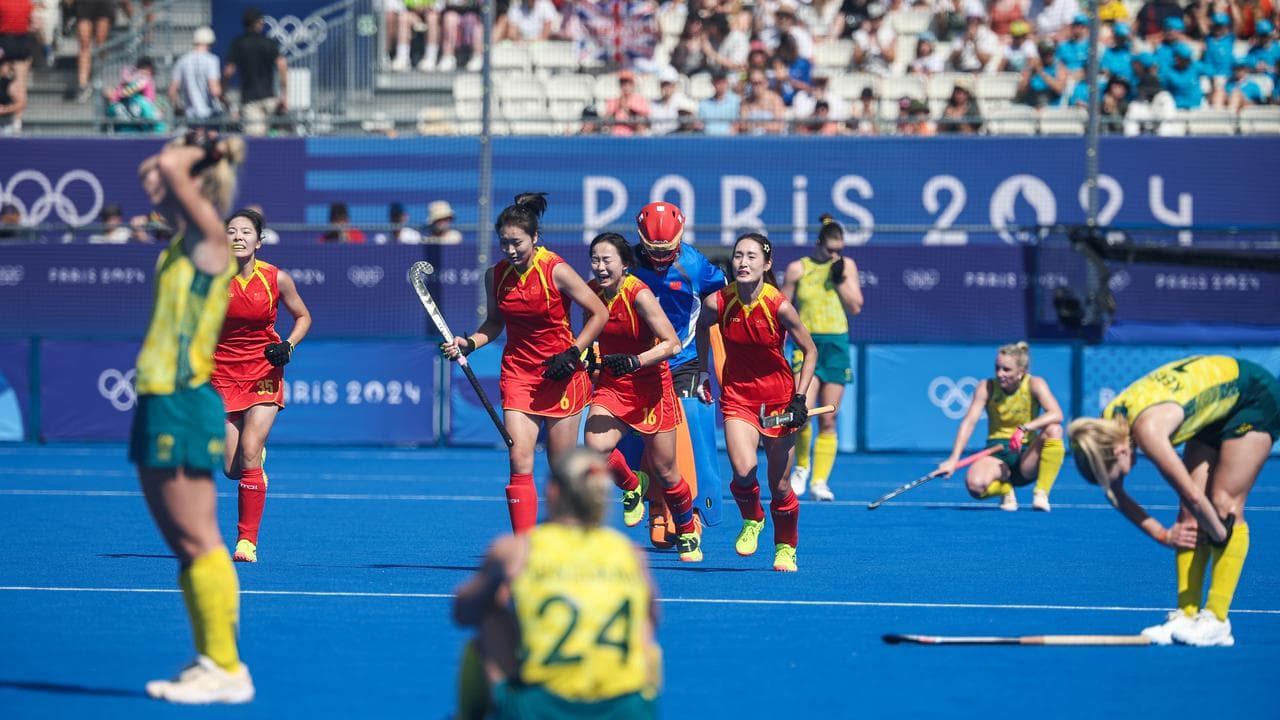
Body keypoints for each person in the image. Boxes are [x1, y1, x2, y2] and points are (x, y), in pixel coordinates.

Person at [130, 130, 253, 703]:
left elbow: (169, 172)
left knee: (201, 538)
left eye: (168, 171)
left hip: (183, 398)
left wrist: (197, 152)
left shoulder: (211, 239)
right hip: (159, 398)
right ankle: (213, 660)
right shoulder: (183, 242)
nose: (152, 177)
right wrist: (183, 155)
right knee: (187, 543)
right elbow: (152, 175)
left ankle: (227, 668)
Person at [1069, 355, 1279, 646]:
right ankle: (1187, 614)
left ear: (1119, 453)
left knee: (1222, 505)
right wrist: (1163, 534)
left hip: (1252, 396)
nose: (1114, 481)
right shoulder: (1105, 429)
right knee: (1188, 517)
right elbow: (1117, 495)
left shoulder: (1149, 431)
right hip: (1214, 409)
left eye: (1112, 475)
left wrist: (1220, 533)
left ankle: (1218, 621)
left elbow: (1193, 495)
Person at [441, 193, 608, 534]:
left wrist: (574, 352)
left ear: (533, 238)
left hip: (561, 373)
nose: (510, 250)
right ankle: (525, 550)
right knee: (519, 459)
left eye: (516, 242)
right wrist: (469, 343)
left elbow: (599, 312)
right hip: (519, 375)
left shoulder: (556, 270)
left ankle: (566, 540)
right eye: (504, 243)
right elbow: (493, 324)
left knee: (562, 469)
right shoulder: (496, 276)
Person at [453, 448, 660, 720]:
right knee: (645, 633)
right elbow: (654, 619)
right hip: (626, 708)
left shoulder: (516, 551)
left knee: (492, 614)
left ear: (552, 492)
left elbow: (463, 611)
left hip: (542, 707)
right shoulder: (632, 555)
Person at [697, 232, 816, 572]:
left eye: (751, 256)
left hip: (778, 400)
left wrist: (799, 398)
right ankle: (752, 518)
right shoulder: (718, 303)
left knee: (780, 485)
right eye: (738, 256)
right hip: (738, 397)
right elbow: (702, 329)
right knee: (743, 470)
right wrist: (705, 372)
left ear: (766, 264)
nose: (743, 262)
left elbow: (810, 351)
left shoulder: (778, 306)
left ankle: (785, 548)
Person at [582, 232, 702, 561]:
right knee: (595, 449)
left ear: (624, 265)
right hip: (613, 385)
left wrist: (636, 360)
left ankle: (687, 527)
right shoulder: (590, 293)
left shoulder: (640, 295)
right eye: (595, 260)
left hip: (651, 387)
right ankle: (633, 484)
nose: (600, 267)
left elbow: (671, 344)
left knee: (667, 472)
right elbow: (590, 335)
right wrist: (587, 358)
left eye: (608, 260)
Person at [211, 207, 311, 564]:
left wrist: (288, 345)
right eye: (232, 232)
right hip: (221, 374)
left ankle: (246, 541)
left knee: (251, 448)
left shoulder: (276, 278)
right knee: (231, 468)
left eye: (246, 232)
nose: (238, 237)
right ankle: (254, 462)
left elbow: (302, 316)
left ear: (259, 240)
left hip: (264, 371)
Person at [628, 201, 727, 533]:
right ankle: (656, 503)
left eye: (666, 251)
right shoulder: (625, 263)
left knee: (685, 437)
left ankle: (690, 513)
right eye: (652, 250)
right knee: (643, 439)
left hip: (681, 361)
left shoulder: (694, 264)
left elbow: (720, 297)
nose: (658, 259)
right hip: (638, 363)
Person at [781, 214, 863, 501]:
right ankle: (801, 468)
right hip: (807, 345)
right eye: (830, 250)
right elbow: (781, 307)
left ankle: (820, 481)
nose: (835, 255)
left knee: (829, 417)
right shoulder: (797, 269)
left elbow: (855, 307)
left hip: (836, 344)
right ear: (818, 244)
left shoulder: (846, 267)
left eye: (840, 249)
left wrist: (839, 278)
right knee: (802, 413)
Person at [935, 342, 1066, 512]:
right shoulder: (986, 387)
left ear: (1021, 372)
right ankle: (1005, 489)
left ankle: (1041, 494)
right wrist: (953, 459)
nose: (1000, 374)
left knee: (1054, 429)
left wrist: (1023, 428)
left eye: (1006, 370)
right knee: (975, 487)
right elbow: (969, 422)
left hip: (1027, 457)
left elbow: (1056, 413)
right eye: (997, 368)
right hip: (997, 454)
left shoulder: (1035, 383)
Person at [224, 7, 288, 137]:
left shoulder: (239, 43)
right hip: (270, 98)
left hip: (250, 100)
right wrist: (284, 95)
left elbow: (228, 71)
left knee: (257, 141)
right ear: (259, 22)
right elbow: (282, 66)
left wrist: (224, 92)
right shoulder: (269, 42)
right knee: (277, 141)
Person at [169, 26, 223, 124]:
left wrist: (179, 107)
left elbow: (172, 91)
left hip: (189, 116)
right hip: (209, 116)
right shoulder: (212, 60)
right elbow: (214, 90)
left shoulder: (182, 61)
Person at [0, 0, 32, 130]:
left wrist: (4, 110)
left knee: (18, 86)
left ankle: (17, 123)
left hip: (10, 41)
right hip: (17, 42)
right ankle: (17, 122)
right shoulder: (25, 3)